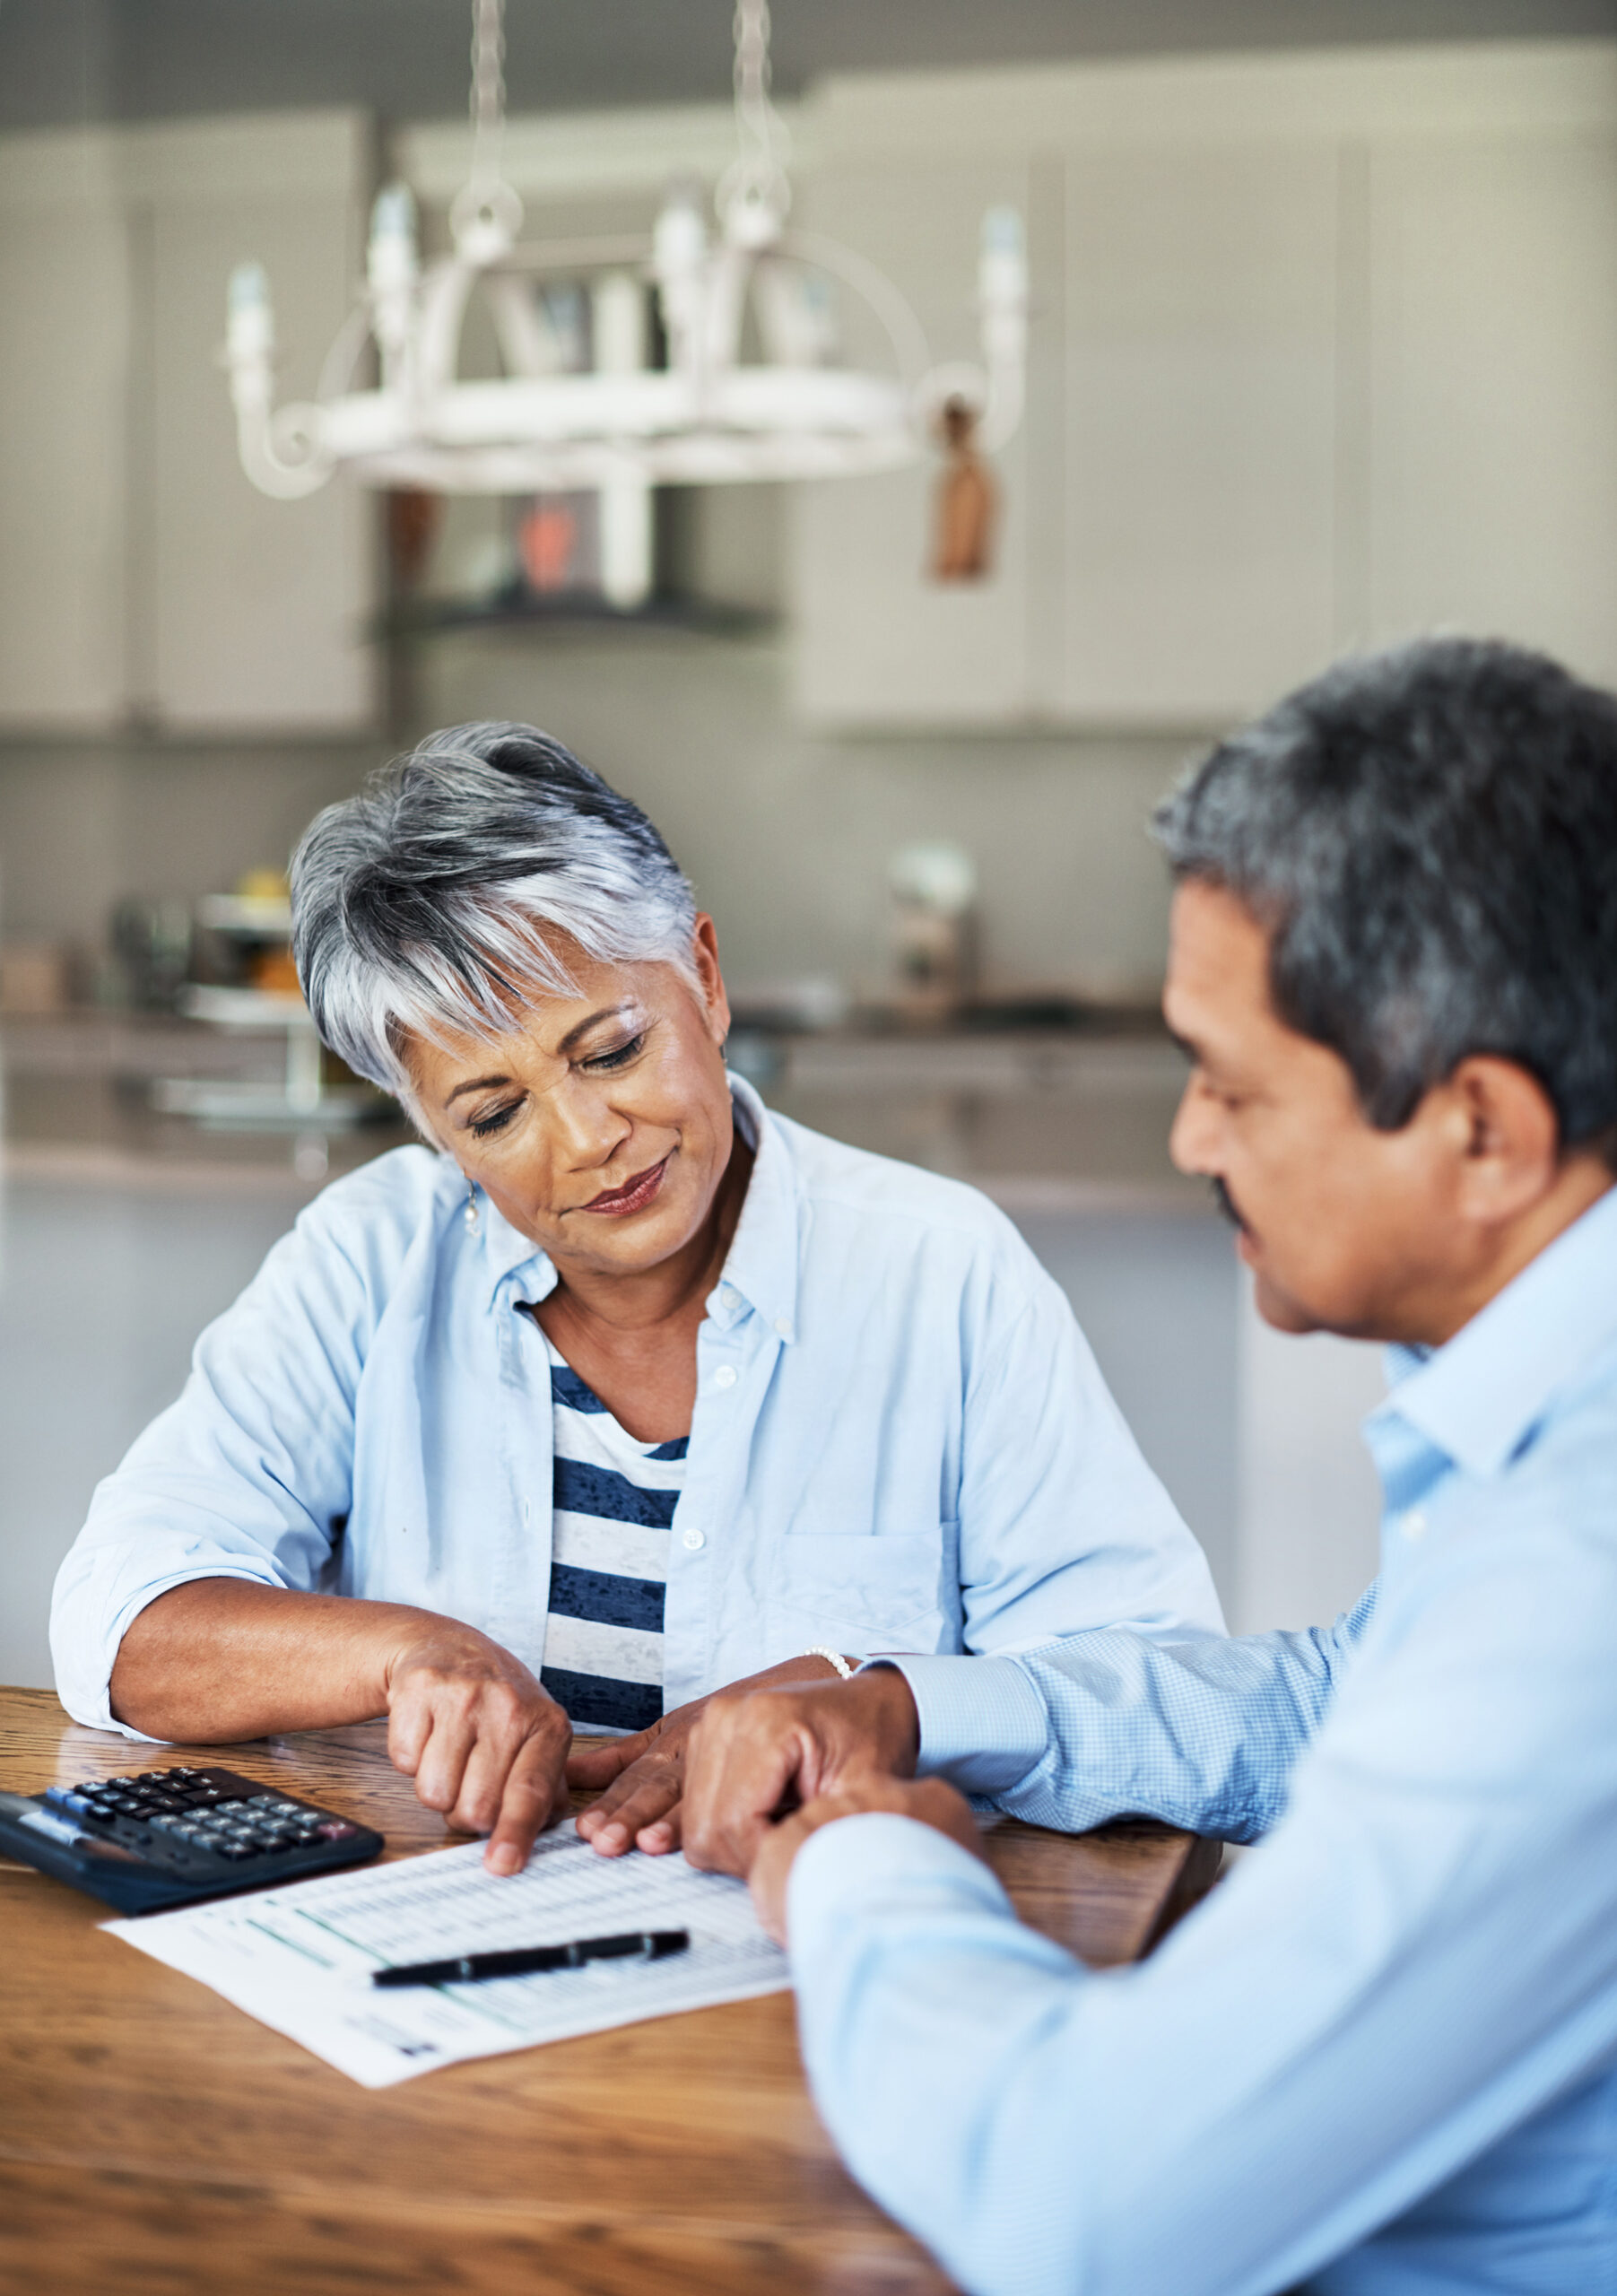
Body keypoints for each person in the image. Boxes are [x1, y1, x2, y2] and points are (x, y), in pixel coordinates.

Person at [681, 637, 1617, 2296]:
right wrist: (913, 1705)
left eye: (1233, 1083)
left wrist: (864, 1868)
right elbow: (1346, 1704)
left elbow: (1079, 2209)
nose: (1189, 1136)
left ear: (1486, 1133)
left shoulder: (1578, 1573)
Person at [49, 721, 1221, 1878]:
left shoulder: (939, 1272)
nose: (586, 1140)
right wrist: (406, 1653)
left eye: (609, 1050)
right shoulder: (369, 1264)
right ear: (434, 1132)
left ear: (704, 978)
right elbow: (120, 1617)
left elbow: (1161, 1697)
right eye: (494, 1114)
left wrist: (881, 1704)